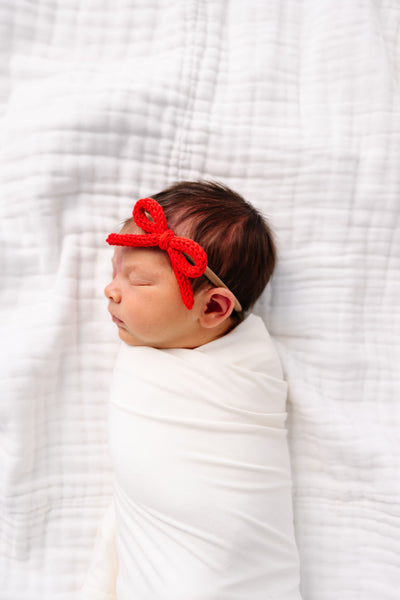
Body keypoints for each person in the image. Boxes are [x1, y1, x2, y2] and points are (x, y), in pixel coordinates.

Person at [82, 181, 302, 600]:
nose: (111, 290)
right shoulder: (146, 362)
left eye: (139, 281)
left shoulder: (247, 373)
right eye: (115, 271)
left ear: (214, 308)